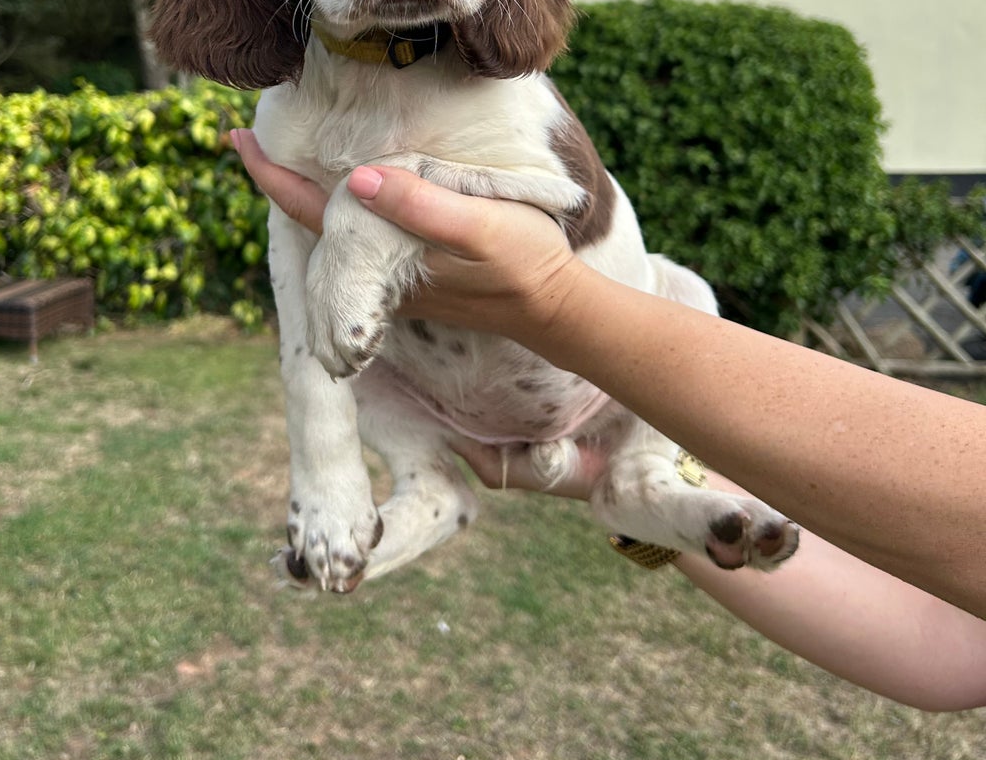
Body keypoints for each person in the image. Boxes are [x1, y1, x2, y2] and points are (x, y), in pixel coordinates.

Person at [229, 129, 986, 712]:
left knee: (680, 287)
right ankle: (452, 486)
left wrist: (552, 298)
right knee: (346, 355)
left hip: (591, 386)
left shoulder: (508, 98)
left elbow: (559, 195)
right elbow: (945, 642)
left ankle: (642, 476)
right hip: (444, 391)